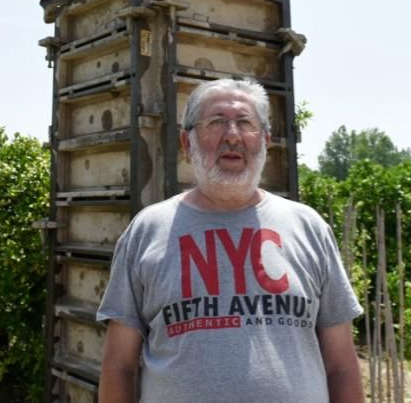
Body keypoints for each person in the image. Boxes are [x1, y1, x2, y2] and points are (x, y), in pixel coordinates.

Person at [97, 78, 365, 402]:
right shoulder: (147, 230)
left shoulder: (309, 228)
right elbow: (119, 366)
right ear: (187, 141)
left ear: (265, 140)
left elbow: (342, 367)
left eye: (245, 123)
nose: (233, 136)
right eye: (216, 122)